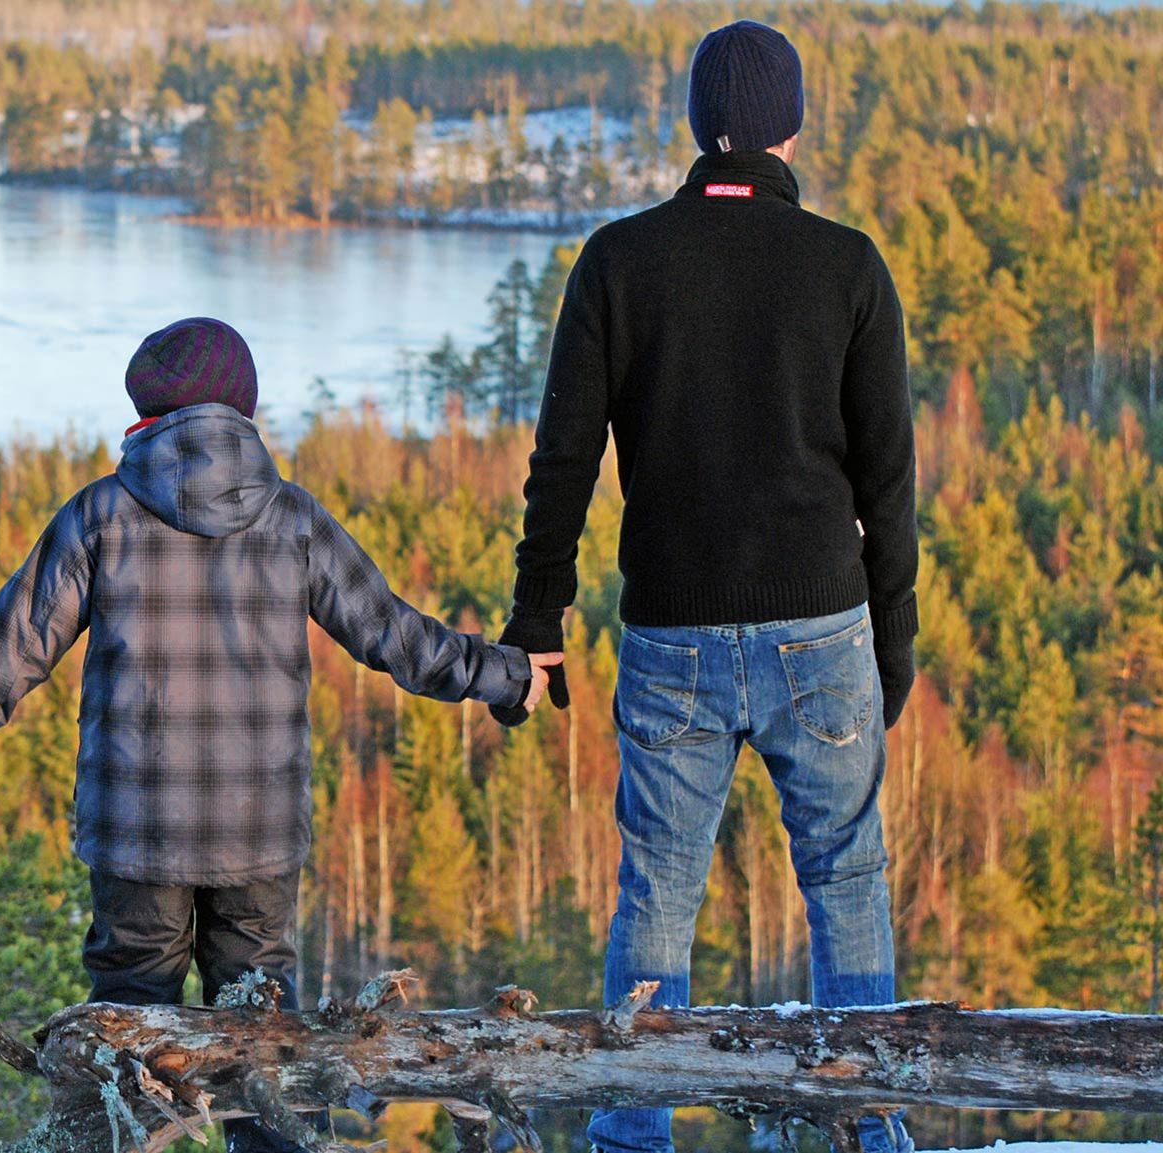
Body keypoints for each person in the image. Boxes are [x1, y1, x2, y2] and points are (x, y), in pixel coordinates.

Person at [0, 317, 558, 1153]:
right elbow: (396, 638)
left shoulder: (99, 516)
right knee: (266, 1060)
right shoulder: (294, 518)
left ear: (147, 411)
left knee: (127, 1061)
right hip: (257, 837)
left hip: (133, 840)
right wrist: (509, 674)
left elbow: (7, 667)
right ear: (244, 413)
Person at [493, 21, 916, 1153]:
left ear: (694, 126)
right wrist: (894, 641)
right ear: (790, 125)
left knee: (656, 891)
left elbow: (562, 462)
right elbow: (888, 479)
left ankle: (629, 1136)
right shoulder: (846, 263)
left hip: (670, 631)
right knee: (845, 877)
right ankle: (861, 1130)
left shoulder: (618, 260)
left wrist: (538, 621)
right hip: (821, 628)